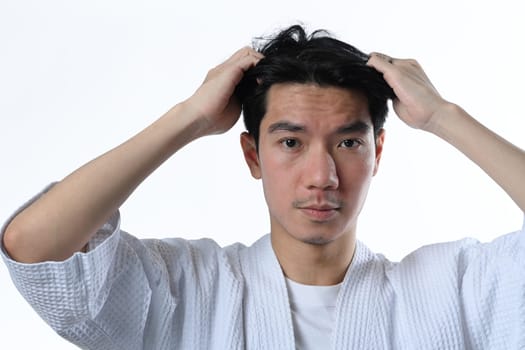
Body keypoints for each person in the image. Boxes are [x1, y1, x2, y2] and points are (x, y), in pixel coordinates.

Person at [1, 24, 524, 349]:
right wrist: (187, 118)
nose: (322, 177)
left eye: (347, 143)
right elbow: (34, 248)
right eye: (291, 143)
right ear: (253, 154)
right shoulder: (190, 291)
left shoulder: (452, 290)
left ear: (377, 152)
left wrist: (444, 117)